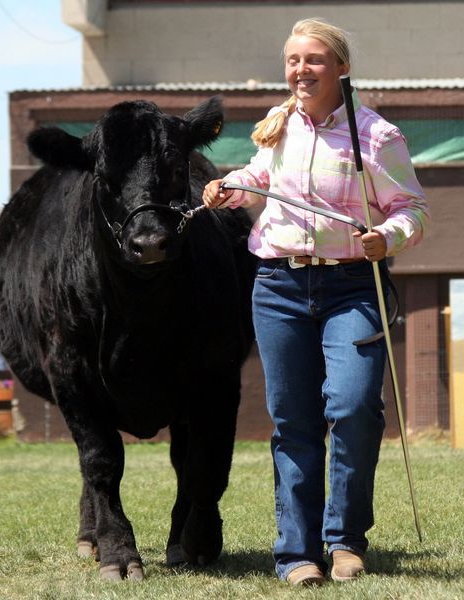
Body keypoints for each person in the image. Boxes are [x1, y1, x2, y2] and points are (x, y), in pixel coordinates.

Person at [203, 17, 429, 587]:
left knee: (353, 409)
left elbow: (413, 209)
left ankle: (346, 540)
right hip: (277, 287)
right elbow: (257, 176)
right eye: (294, 60)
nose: (301, 70)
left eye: (315, 60)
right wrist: (228, 186)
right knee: (293, 422)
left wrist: (390, 236)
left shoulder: (377, 136)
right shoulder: (277, 128)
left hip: (352, 287)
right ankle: (296, 554)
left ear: (342, 68)